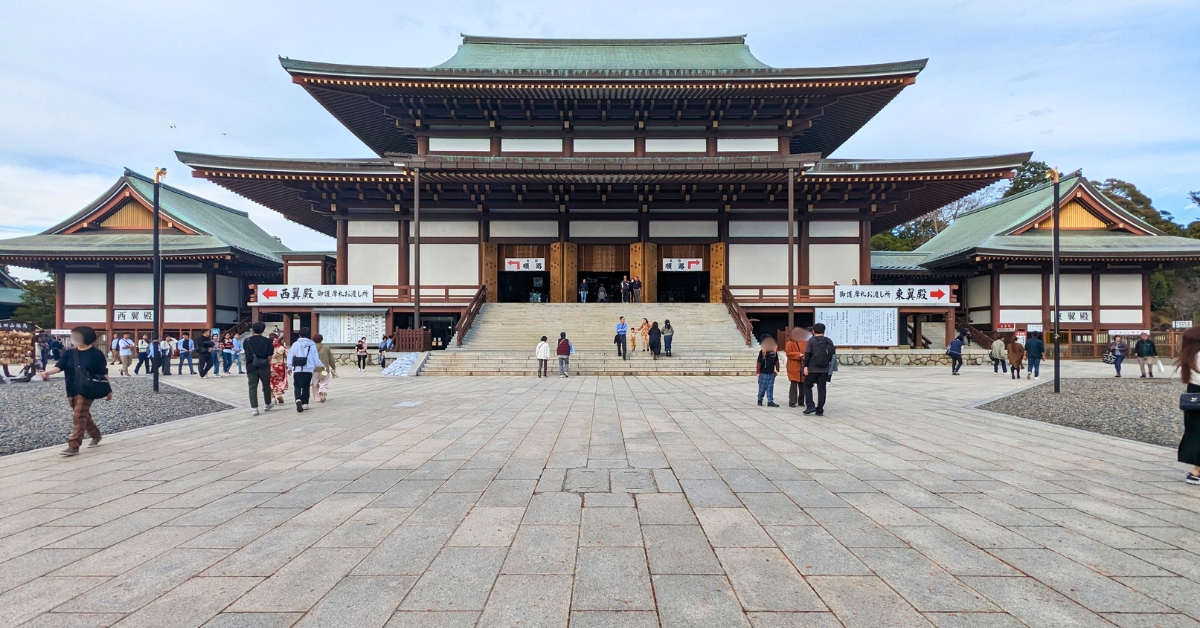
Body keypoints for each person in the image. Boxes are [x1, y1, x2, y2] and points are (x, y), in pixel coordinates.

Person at [38, 326, 110, 457]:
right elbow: (59, 366)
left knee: (78, 415)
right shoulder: (69, 353)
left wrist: (109, 390)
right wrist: (47, 372)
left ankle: (74, 445)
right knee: (82, 414)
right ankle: (96, 434)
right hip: (72, 387)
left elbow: (103, 372)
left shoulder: (96, 354)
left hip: (88, 388)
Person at [1175, 326, 1200, 484]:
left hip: (1194, 394)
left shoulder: (1189, 356)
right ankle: (1197, 471)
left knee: (1195, 432)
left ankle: (1196, 470)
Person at [286, 327, 322, 412]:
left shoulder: (295, 344)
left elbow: (290, 355)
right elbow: (315, 358)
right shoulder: (312, 344)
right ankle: (305, 403)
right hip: (308, 368)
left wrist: (289, 366)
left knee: (297, 386)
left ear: (300, 335)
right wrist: (321, 365)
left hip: (298, 368)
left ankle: (298, 399)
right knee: (306, 386)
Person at [803, 323, 836, 416]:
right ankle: (820, 409)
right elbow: (832, 353)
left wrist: (806, 366)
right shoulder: (829, 341)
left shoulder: (811, 341)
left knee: (807, 386)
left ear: (813, 331)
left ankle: (810, 406)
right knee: (822, 389)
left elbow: (807, 354)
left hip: (813, 369)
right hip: (824, 369)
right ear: (824, 331)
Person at [243, 323, 274, 416]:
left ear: (253, 330)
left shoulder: (247, 340)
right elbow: (270, 355)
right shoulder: (267, 341)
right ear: (263, 330)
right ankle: (267, 404)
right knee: (266, 385)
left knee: (252, 386)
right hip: (264, 365)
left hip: (251, 365)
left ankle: (254, 408)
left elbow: (246, 352)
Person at [785, 327, 808, 405]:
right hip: (793, 365)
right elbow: (788, 353)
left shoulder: (804, 342)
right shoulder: (789, 342)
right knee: (794, 384)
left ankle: (801, 401)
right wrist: (798, 355)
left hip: (802, 365)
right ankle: (792, 401)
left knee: (802, 384)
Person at [756, 336, 780, 407]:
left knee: (770, 387)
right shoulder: (763, 352)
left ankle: (770, 401)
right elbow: (759, 362)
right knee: (762, 388)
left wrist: (777, 369)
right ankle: (760, 399)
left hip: (771, 372)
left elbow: (776, 361)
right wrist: (758, 372)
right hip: (763, 372)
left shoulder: (774, 352)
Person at [313, 333, 336, 403]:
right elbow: (330, 358)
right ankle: (323, 391)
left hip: (314, 369)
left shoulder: (311, 347)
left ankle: (317, 397)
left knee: (315, 383)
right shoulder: (326, 347)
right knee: (324, 381)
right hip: (324, 369)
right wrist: (333, 366)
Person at [270, 335, 289, 404]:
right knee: (280, 380)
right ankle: (279, 394)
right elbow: (286, 356)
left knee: (271, 381)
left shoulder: (269, 347)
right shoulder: (281, 347)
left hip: (271, 366)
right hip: (280, 366)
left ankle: (272, 397)